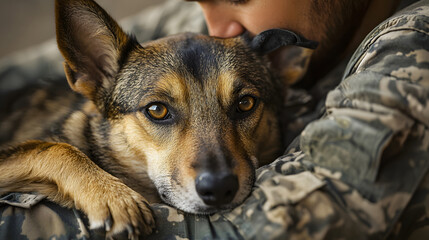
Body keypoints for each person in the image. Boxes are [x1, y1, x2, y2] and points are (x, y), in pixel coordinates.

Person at [1, 0, 428, 239]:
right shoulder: (229, 26)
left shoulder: (413, 53)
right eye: (158, 111)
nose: (215, 28)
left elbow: (265, 231)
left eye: (242, 105)